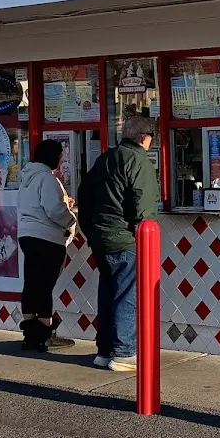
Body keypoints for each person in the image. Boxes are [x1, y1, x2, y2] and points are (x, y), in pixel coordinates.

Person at [77, 115, 158, 372]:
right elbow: (145, 208)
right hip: (125, 239)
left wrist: (91, 232)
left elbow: (83, 194)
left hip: (101, 239)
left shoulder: (105, 158)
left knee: (108, 294)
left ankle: (104, 351)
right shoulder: (139, 161)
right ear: (144, 138)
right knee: (126, 296)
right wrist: (145, 237)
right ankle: (124, 352)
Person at [16, 139, 78, 352]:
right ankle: (45, 335)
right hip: (47, 238)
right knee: (44, 287)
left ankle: (30, 334)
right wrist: (71, 221)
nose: (60, 161)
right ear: (52, 157)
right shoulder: (47, 179)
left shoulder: (26, 179)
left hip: (27, 235)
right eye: (60, 156)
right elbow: (54, 210)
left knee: (31, 284)